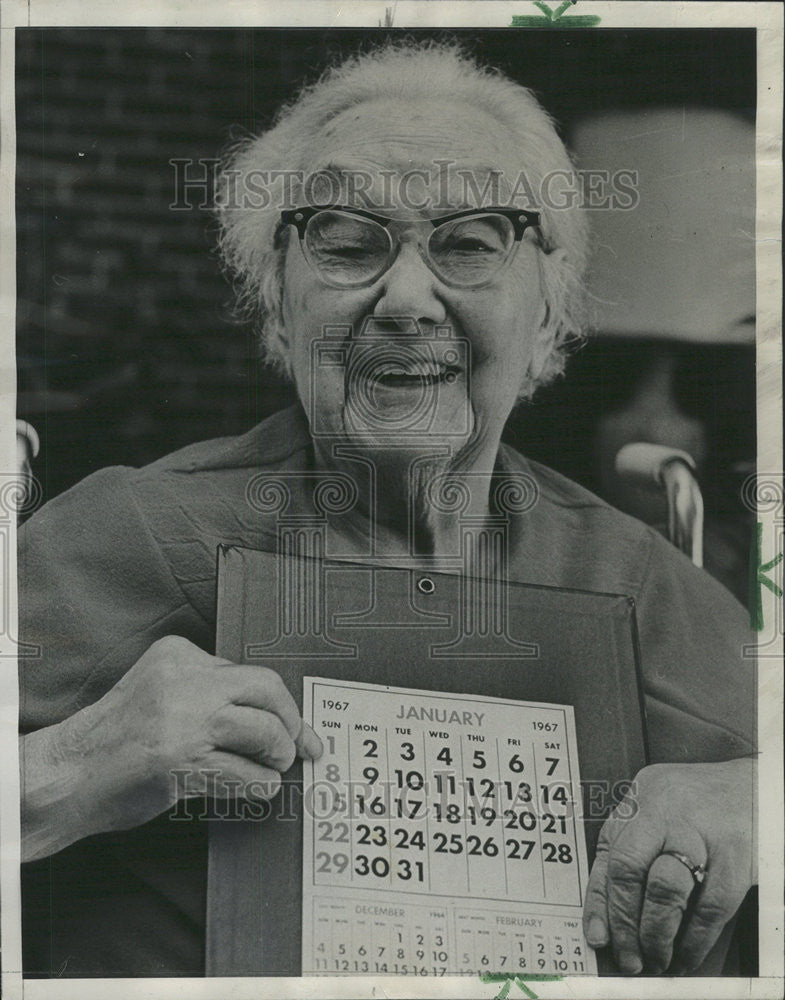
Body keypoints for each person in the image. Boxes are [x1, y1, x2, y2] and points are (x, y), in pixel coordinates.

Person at [19, 40, 756, 978]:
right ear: (278, 308)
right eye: (346, 241)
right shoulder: (135, 533)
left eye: (469, 242)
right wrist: (69, 767)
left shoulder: (639, 581)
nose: (407, 298)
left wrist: (755, 799)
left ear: (545, 320)